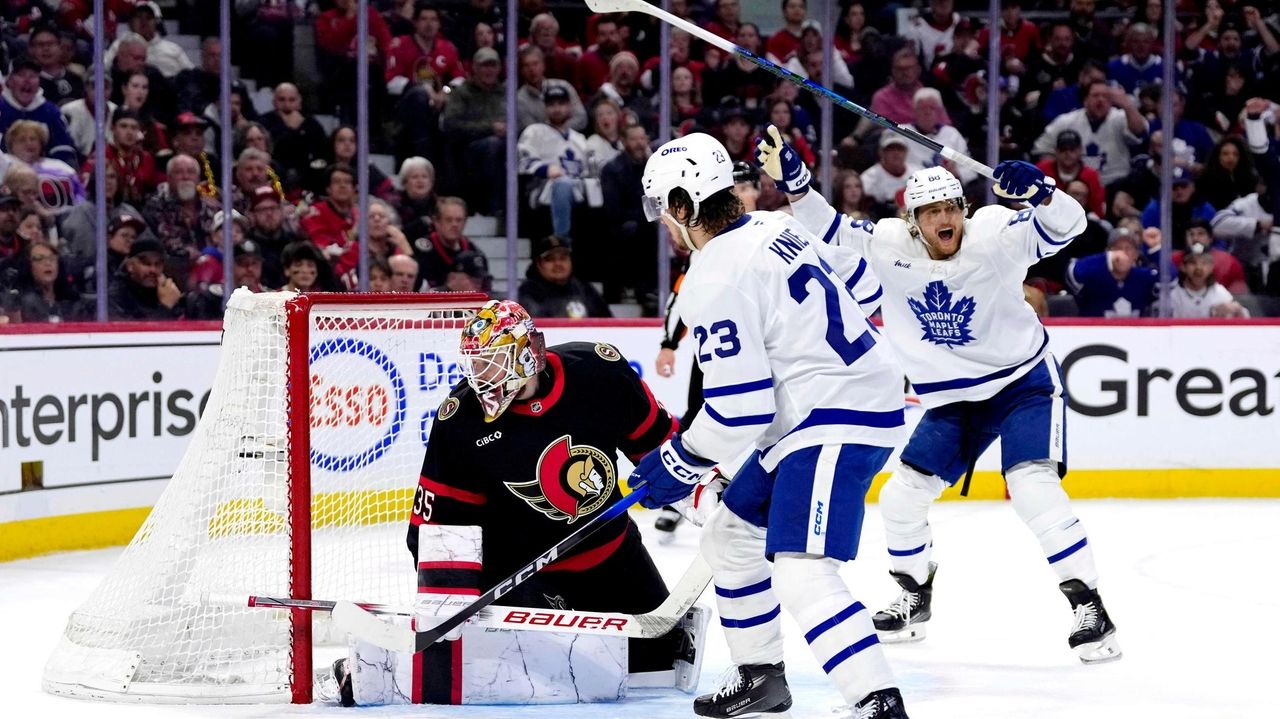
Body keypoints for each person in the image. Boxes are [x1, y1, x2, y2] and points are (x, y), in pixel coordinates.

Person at [758, 125, 1122, 665]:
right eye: (932, 213)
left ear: (964, 209)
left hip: (1022, 383)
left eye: (952, 207)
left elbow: (1070, 227)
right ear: (913, 221)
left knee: (1030, 486)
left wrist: (1044, 191)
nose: (945, 219)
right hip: (953, 401)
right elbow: (828, 227)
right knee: (901, 497)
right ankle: (914, 597)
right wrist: (796, 184)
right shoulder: (888, 244)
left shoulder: (996, 233)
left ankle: (1090, 607)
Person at [632, 132, 911, 718]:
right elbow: (861, 286)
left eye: (665, 212)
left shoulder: (713, 277)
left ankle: (877, 703)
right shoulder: (772, 225)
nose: (664, 225)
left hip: (833, 414)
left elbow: (741, 408)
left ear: (683, 207)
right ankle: (762, 675)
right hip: (828, 406)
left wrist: (678, 461)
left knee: (801, 570)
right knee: (729, 539)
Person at [321, 299, 703, 706]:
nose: (480, 376)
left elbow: (662, 445)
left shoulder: (599, 372)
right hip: (523, 576)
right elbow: (436, 527)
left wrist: (705, 489)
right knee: (556, 679)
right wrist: (448, 604)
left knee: (660, 664)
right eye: (475, 364)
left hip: (612, 555)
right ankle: (370, 671)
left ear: (527, 353)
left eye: (492, 361)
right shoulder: (463, 418)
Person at [517, 85, 591, 240]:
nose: (557, 109)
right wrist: (546, 169)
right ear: (545, 108)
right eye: (551, 105)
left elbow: (591, 170)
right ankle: (561, 241)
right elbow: (523, 161)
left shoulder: (580, 139)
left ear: (569, 107)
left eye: (561, 104)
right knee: (562, 184)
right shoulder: (534, 131)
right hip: (545, 190)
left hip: (578, 190)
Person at [517, 234, 610, 319]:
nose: (558, 264)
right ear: (539, 264)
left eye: (563, 258)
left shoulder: (584, 289)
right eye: (550, 259)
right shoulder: (528, 292)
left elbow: (608, 324)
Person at [108, 237, 184, 320]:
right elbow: (130, 331)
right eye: (146, 263)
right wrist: (165, 308)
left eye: (158, 264)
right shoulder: (116, 297)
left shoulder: (166, 293)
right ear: (130, 266)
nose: (153, 270)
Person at [1168, 248, 1249, 318]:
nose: (1198, 268)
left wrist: (1237, 310)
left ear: (1211, 267)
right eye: (1193, 263)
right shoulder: (1172, 293)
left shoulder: (1219, 292)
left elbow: (1245, 318)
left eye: (1204, 263)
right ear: (1183, 267)